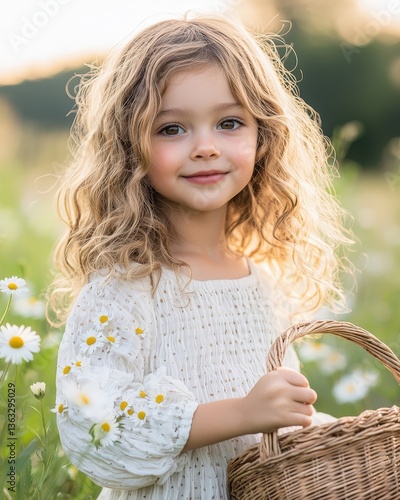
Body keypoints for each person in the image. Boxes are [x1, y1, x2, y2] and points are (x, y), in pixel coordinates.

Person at [50, 13, 353, 500]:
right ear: (130, 147)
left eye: (229, 122)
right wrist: (241, 413)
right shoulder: (124, 289)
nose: (206, 147)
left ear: (263, 134)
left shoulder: (261, 281)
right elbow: (93, 432)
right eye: (172, 129)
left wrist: (322, 429)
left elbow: (273, 425)